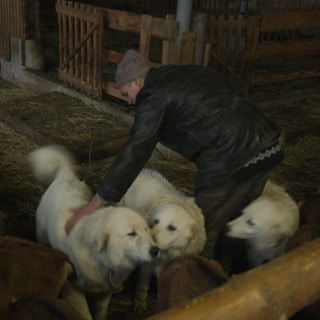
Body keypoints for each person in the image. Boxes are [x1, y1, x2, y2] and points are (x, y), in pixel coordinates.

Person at [66, 49, 284, 269]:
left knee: (201, 228)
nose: (130, 102)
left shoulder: (153, 95)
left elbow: (136, 150)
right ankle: (228, 275)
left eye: (126, 94)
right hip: (267, 143)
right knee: (236, 222)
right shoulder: (177, 73)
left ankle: (199, 280)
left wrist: (97, 201)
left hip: (232, 156)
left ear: (138, 82)